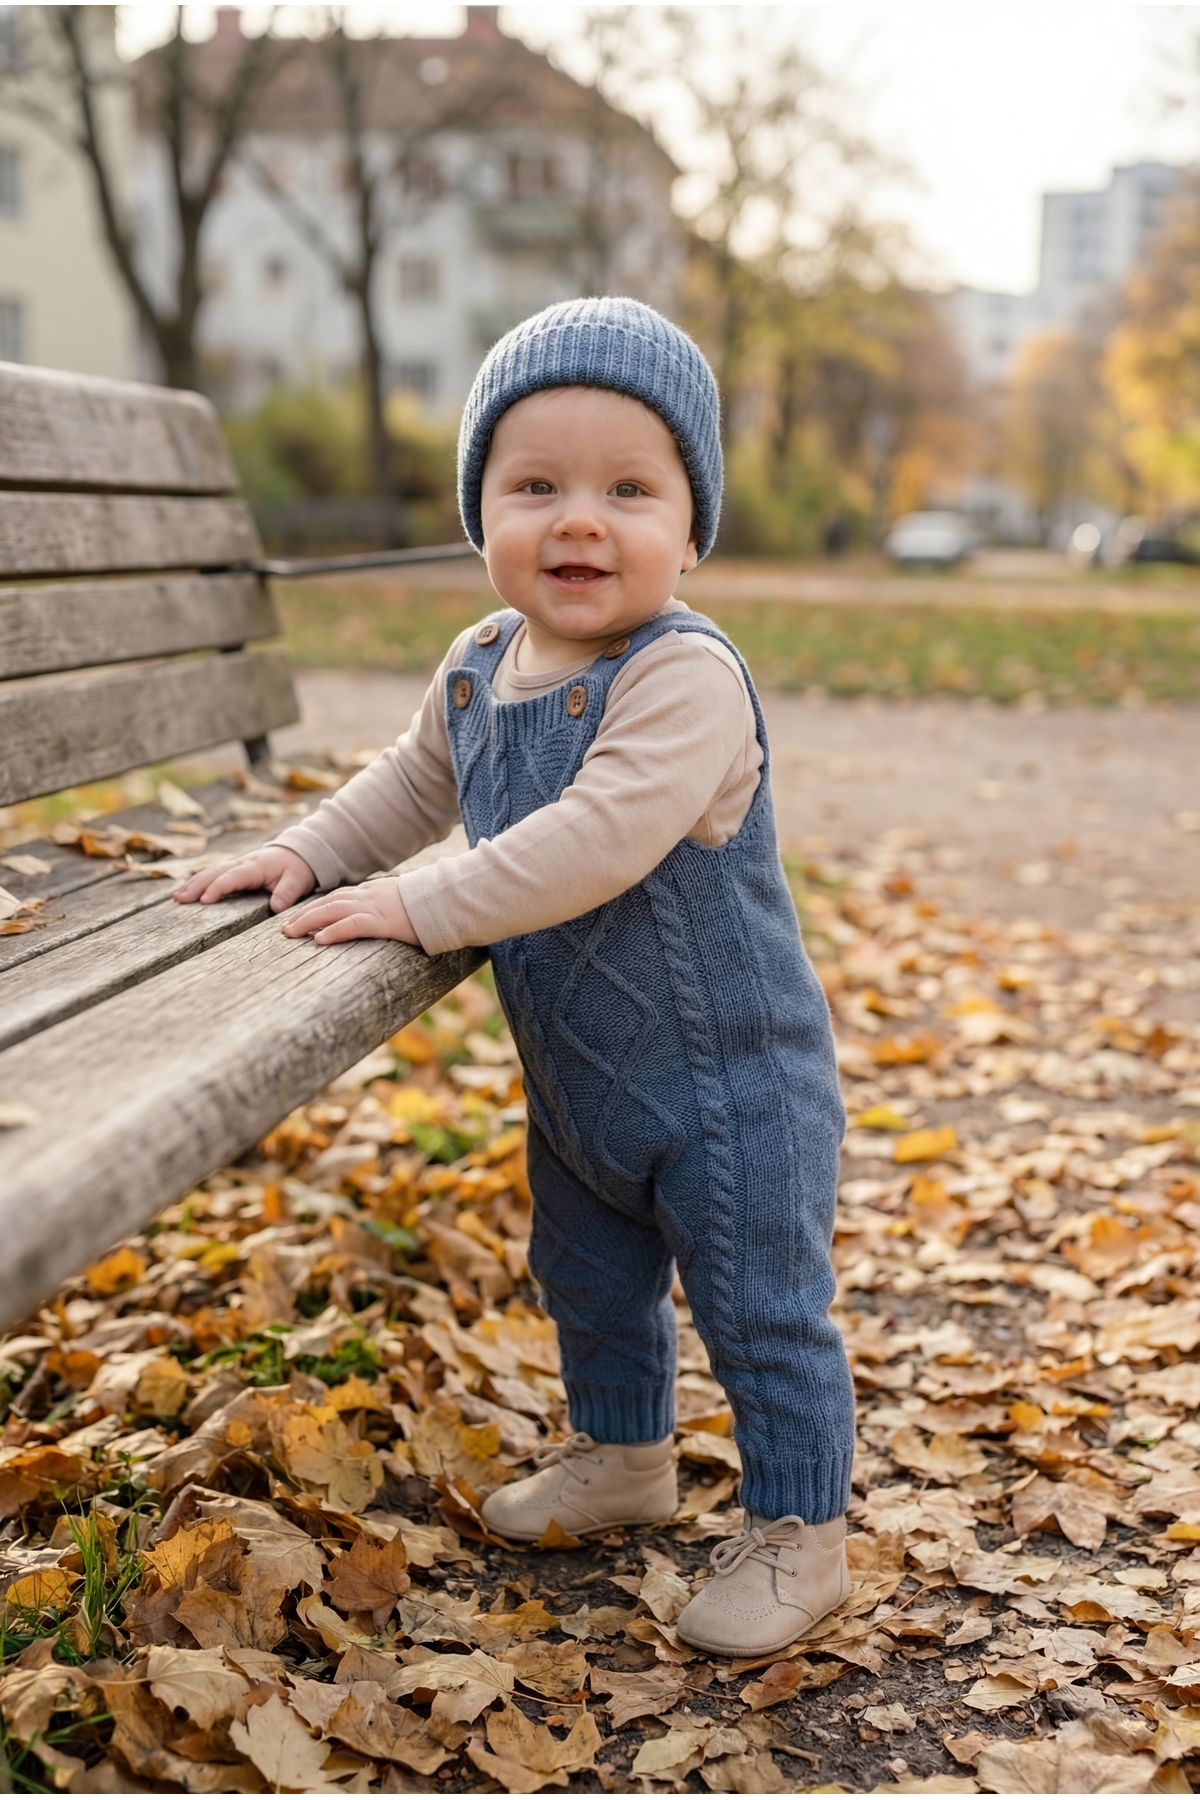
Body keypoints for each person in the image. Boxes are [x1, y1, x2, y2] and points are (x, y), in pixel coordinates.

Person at [175, 297, 855, 1658]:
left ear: (690, 522)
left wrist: (419, 905)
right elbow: (412, 785)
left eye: (628, 489)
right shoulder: (482, 668)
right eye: (535, 485)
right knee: (586, 1273)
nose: (579, 521)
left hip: (731, 1083)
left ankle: (801, 1531)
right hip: (584, 1083)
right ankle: (623, 1455)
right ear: (480, 508)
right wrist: (311, 854)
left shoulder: (684, 679)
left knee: (758, 1305)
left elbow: (590, 841)